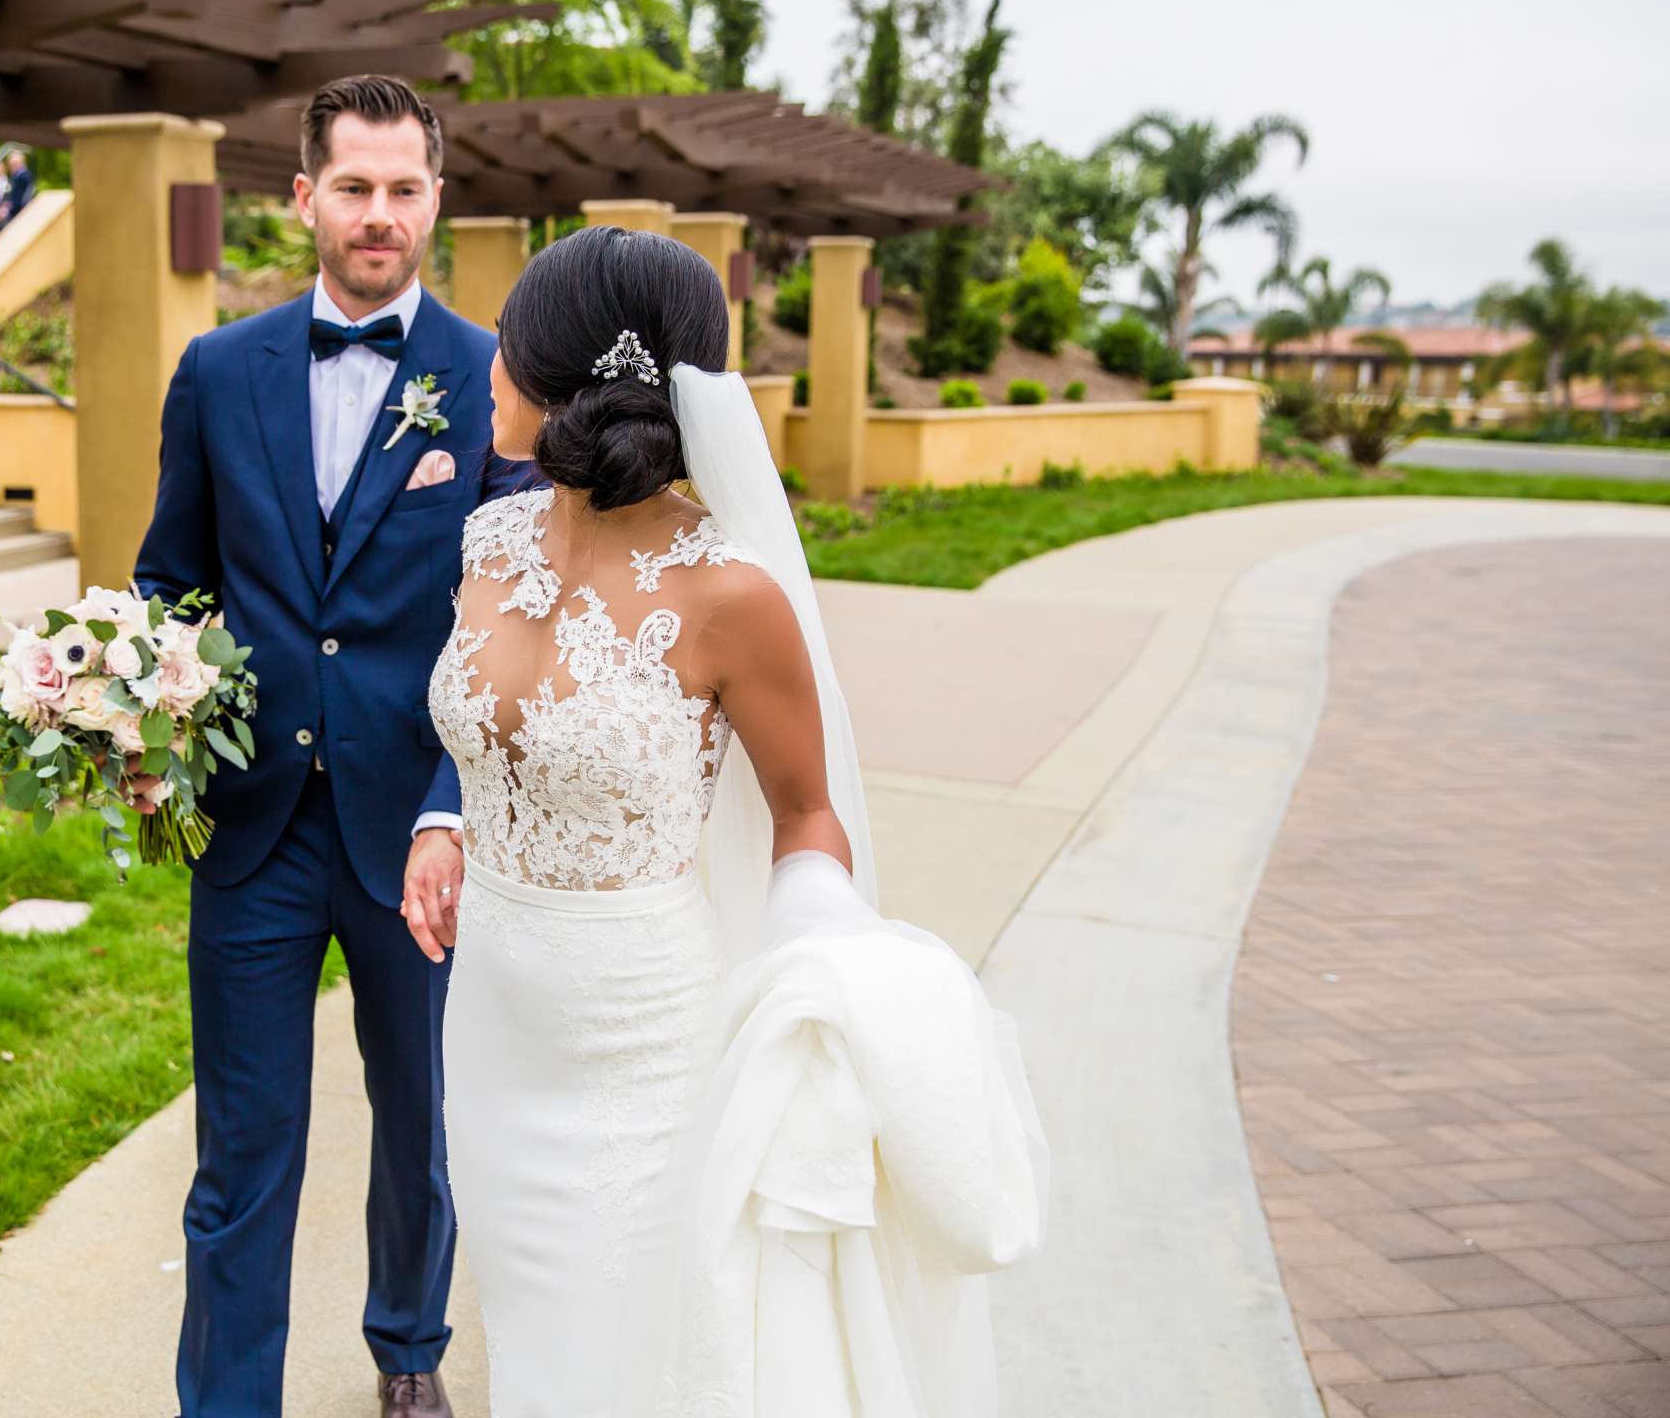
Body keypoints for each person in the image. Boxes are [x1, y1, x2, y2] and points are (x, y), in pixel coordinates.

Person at [424, 226, 1051, 1415]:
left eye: (507, 340)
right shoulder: (488, 540)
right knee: (535, 1340)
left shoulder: (730, 595)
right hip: (495, 1025)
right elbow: (501, 740)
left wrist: (815, 956)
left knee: (634, 1352)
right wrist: (453, 826)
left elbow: (810, 808)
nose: (487, 366)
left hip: (642, 1049)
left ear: (565, 368)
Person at [135, 75, 527, 1418]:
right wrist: (136, 714)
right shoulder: (217, 371)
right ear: (302, 196)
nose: (379, 215)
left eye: (404, 189)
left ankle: (408, 1353)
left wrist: (452, 806)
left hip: (416, 824)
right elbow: (172, 581)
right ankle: (227, 1401)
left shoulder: (488, 380)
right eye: (352, 187)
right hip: (248, 828)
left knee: (418, 1118)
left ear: (435, 199)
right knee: (242, 1146)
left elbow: (510, 619)